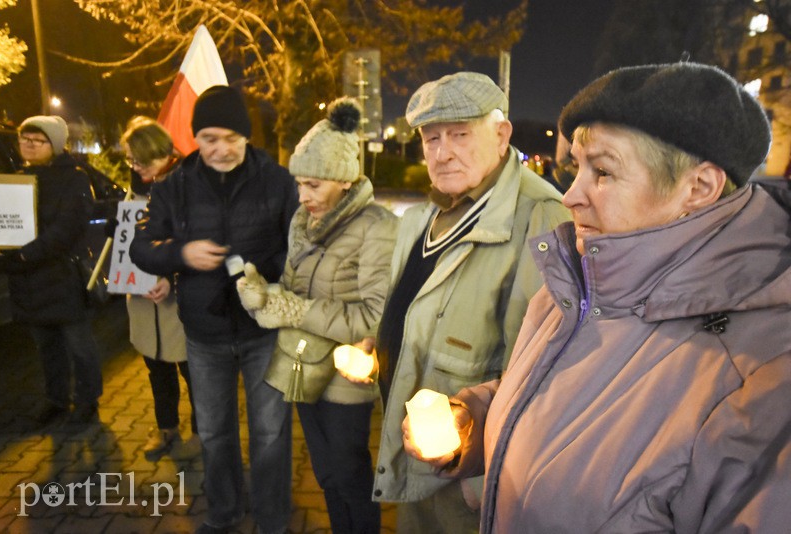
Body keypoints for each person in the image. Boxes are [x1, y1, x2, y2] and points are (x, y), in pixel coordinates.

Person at [411, 62, 791, 532]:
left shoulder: (761, 376)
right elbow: (566, 396)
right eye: (577, 168)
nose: (570, 195)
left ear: (698, 187)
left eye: (604, 172)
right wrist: (476, 418)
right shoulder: (579, 279)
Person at [369, 72, 570, 533]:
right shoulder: (430, 212)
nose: (442, 152)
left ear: (502, 136)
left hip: (465, 476)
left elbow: (541, 371)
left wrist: (483, 482)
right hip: (418, 454)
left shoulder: (540, 216)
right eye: (431, 138)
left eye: (460, 134)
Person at [129, 86, 299, 534]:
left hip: (264, 328)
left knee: (270, 433)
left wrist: (268, 278)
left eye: (230, 137)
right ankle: (223, 513)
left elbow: (299, 247)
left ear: (245, 135)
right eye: (208, 138)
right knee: (215, 431)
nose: (220, 149)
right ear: (195, 139)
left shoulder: (278, 180)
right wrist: (182, 255)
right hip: (204, 333)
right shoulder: (172, 186)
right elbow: (141, 248)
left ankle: (272, 518)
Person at [236, 98, 398, 533]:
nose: (303, 196)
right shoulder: (301, 222)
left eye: (314, 185)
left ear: (345, 181)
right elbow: (292, 291)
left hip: (346, 376)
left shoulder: (377, 226)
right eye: (300, 185)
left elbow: (373, 317)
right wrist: (264, 296)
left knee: (349, 472)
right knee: (326, 473)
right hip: (302, 365)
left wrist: (296, 309)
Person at [0, 115, 103, 426]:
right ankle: (57, 399)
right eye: (23, 138)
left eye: (36, 139)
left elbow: (66, 229)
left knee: (79, 345)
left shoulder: (75, 178)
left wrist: (27, 255)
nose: (27, 144)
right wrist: (2, 254)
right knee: (46, 347)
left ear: (54, 144)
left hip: (63, 276)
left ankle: (87, 400)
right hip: (29, 280)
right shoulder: (15, 179)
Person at [119, 116, 198, 459]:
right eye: (131, 161)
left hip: (180, 300)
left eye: (141, 160)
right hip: (143, 298)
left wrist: (171, 276)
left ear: (163, 153)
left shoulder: (190, 184)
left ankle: (203, 432)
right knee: (155, 366)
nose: (136, 167)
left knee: (193, 370)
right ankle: (166, 427)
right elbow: (129, 235)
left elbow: (198, 241)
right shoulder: (136, 185)